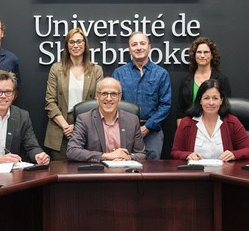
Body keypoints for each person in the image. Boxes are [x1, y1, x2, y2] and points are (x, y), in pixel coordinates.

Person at [44, 28, 104, 160]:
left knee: (85, 173)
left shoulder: (96, 70)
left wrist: (77, 126)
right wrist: (66, 126)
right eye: (71, 42)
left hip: (87, 126)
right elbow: (50, 101)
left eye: (79, 41)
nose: (75, 45)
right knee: (60, 173)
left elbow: (99, 102)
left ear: (85, 44)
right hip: (61, 127)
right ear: (67, 45)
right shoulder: (56, 68)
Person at [112, 32, 171, 160]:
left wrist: (147, 127)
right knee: (123, 167)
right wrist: (130, 127)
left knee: (152, 171)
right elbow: (114, 103)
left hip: (152, 131)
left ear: (149, 47)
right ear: (129, 49)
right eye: (134, 44)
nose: (138, 47)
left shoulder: (161, 74)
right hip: (124, 130)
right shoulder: (119, 73)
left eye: (142, 43)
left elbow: (165, 105)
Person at [171, 79, 249, 161]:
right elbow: (175, 152)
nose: (211, 103)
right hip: (195, 173)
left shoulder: (232, 122)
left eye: (215, 98)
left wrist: (234, 154)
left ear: (221, 100)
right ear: (200, 100)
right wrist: (187, 155)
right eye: (206, 98)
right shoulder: (186, 123)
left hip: (223, 173)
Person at [67, 78, 146, 163]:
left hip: (125, 172)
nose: (109, 98)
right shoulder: (84, 119)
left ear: (119, 97)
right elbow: (72, 151)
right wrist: (106, 156)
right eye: (104, 93)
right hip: (97, 173)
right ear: (97, 96)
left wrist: (128, 157)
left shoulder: (132, 120)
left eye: (113, 94)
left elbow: (141, 154)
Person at [175, 36, 232, 118]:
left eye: (206, 52)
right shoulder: (185, 80)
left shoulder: (221, 79)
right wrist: (182, 130)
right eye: (199, 52)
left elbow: (226, 109)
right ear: (194, 55)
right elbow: (180, 111)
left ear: (212, 55)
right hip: (190, 126)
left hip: (214, 126)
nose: (202, 55)